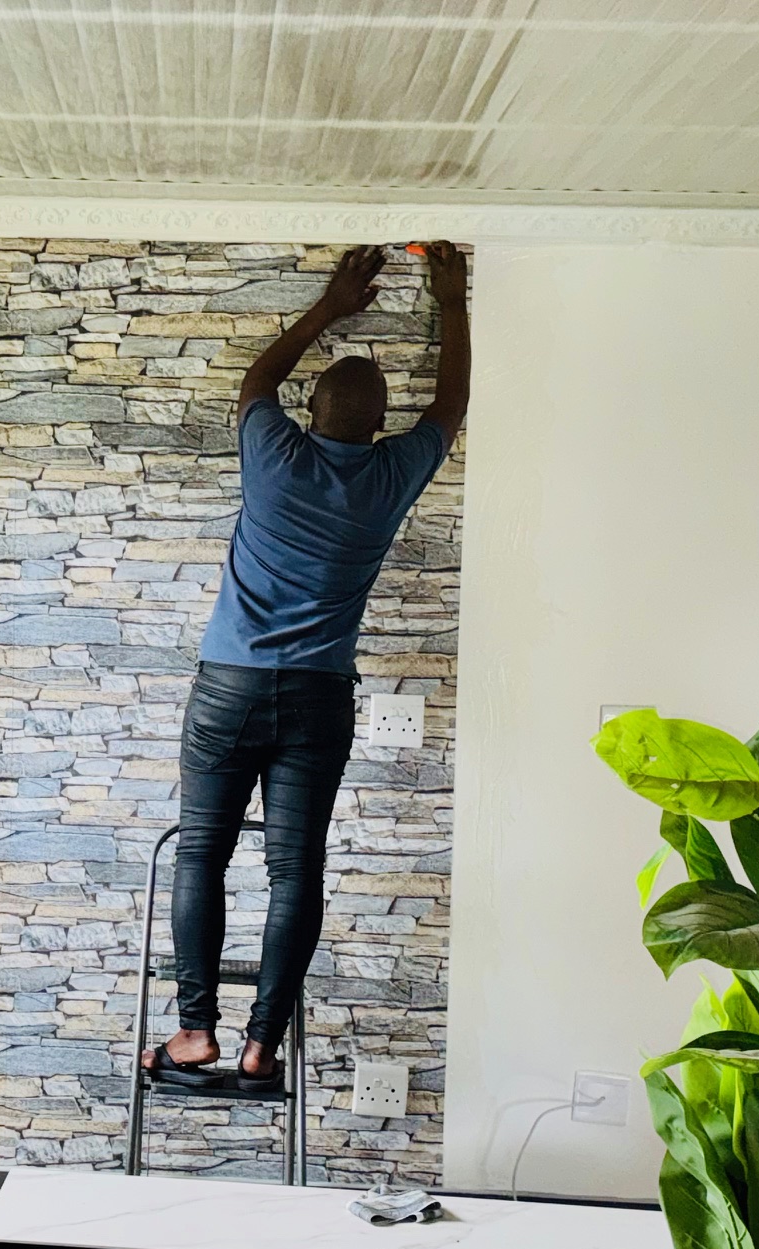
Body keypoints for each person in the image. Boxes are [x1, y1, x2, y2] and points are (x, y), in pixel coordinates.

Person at [142, 241, 471, 1091]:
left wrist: (329, 306)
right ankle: (261, 1046)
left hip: (230, 687)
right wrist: (451, 299)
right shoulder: (393, 474)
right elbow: (450, 405)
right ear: (379, 427)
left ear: (310, 414)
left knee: (202, 855)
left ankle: (194, 1032)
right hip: (321, 698)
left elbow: (259, 379)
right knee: (296, 871)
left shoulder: (273, 451)